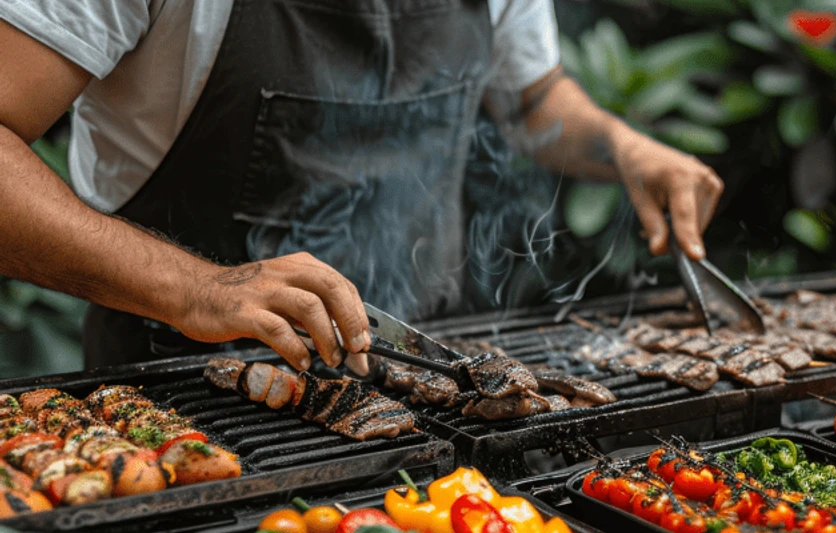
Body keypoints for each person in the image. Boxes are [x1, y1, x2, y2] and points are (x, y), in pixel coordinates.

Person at [0, 0, 723, 375]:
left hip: (427, 388)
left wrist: (620, 146)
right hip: (189, 405)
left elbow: (530, 99)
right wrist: (199, 288)